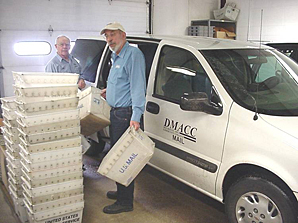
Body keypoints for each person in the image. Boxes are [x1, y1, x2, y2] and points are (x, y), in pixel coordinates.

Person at [100, 22, 146, 214]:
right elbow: (122, 82)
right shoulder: (116, 54)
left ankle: (125, 202)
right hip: (117, 112)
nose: (109, 40)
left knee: (124, 158)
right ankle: (121, 193)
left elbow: (137, 87)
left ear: (123, 35)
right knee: (117, 155)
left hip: (126, 115)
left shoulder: (133, 55)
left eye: (113, 35)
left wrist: (136, 116)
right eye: (107, 36)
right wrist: (108, 90)